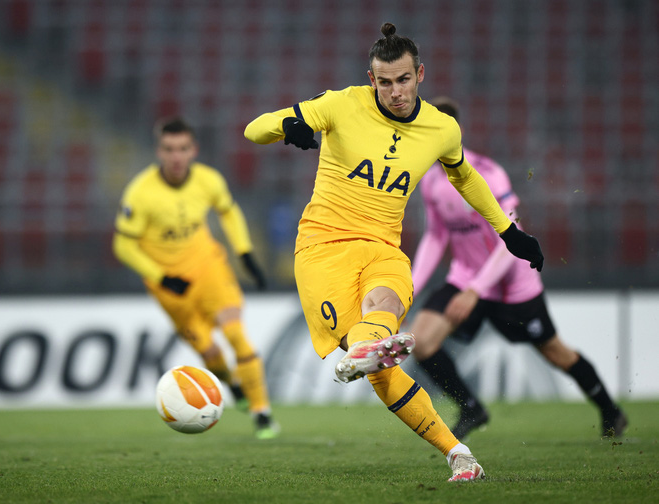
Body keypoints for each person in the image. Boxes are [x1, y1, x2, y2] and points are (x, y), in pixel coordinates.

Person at [245, 23, 543, 481]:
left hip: (383, 245)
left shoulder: (441, 129)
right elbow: (253, 129)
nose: (395, 91)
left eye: (403, 80)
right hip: (322, 249)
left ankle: (370, 348)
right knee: (382, 372)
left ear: (420, 74)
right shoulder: (342, 104)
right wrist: (288, 125)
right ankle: (456, 450)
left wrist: (507, 231)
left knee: (383, 306)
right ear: (371, 80)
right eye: (384, 82)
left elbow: (463, 176)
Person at [407, 96, 628, 440]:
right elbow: (436, 236)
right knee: (421, 342)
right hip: (466, 278)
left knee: (556, 353)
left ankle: (610, 410)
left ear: (453, 132)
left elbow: (512, 240)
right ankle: (471, 408)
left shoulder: (488, 173)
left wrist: (475, 291)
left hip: (510, 284)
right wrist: (412, 287)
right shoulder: (431, 182)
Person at [113, 117, 278, 439]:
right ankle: (231, 384)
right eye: (169, 149)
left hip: (209, 270)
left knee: (236, 334)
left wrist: (244, 253)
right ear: (158, 151)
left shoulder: (208, 180)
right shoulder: (140, 193)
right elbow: (122, 245)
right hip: (171, 288)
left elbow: (228, 211)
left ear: (194, 150)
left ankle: (262, 414)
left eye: (183, 149)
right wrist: (162, 277)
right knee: (210, 354)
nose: (176, 156)